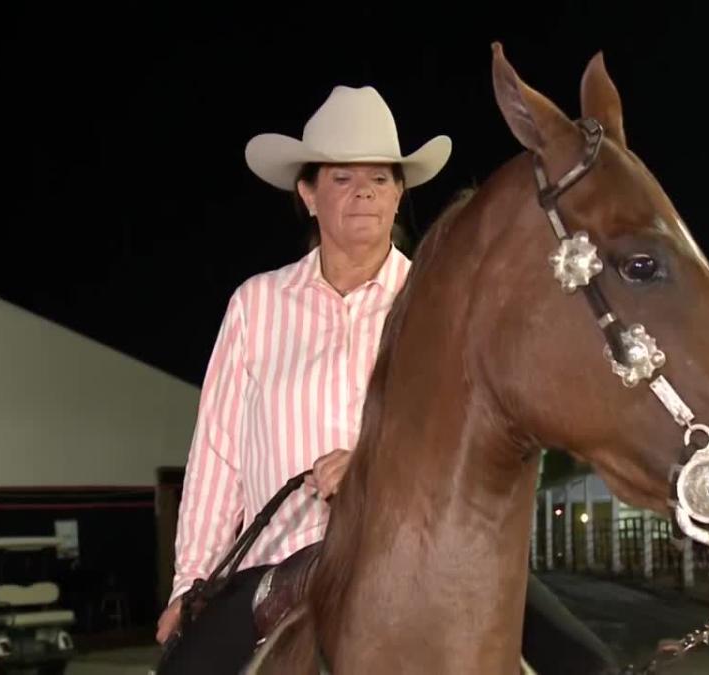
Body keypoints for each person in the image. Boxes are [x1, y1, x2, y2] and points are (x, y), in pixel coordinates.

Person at [154, 84, 620, 674]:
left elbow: (495, 438)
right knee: (183, 669)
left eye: (379, 179)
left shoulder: (444, 302)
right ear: (308, 192)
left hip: (433, 562)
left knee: (591, 666)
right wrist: (191, 581)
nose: (364, 195)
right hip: (280, 567)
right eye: (343, 179)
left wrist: (382, 467)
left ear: (400, 193)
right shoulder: (255, 306)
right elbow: (217, 457)